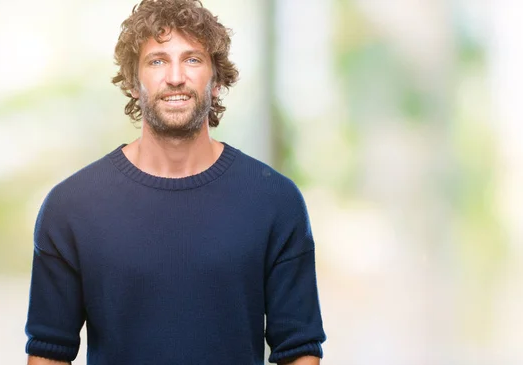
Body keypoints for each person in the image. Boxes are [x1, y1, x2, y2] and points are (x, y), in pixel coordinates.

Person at [24, 0, 326, 364]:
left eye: (193, 59)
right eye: (157, 60)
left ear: (217, 82)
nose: (176, 77)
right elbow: (48, 351)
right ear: (134, 84)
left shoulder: (275, 200)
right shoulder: (71, 207)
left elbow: (299, 349)